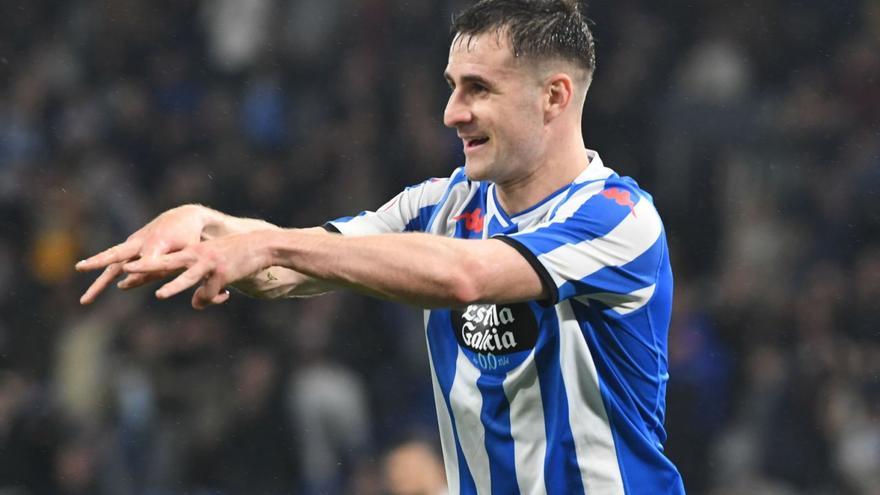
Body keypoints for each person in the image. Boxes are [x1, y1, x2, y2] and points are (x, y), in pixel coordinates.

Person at [76, 0, 686, 492]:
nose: (451, 112)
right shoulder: (435, 206)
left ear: (553, 96)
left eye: (478, 89)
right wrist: (204, 223)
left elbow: (467, 277)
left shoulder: (618, 219)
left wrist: (266, 247)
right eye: (451, 87)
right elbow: (290, 270)